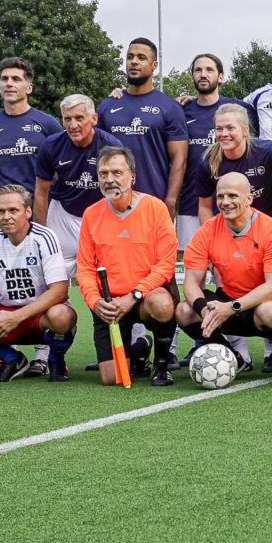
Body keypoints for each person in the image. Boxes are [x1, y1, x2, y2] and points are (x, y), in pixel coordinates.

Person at [74, 146, 181, 386]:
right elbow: (85, 269)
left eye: (116, 173)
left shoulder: (155, 208)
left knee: (162, 303)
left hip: (143, 299)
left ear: (132, 176)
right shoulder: (91, 214)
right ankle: (140, 348)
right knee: (112, 378)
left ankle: (162, 366)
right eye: (103, 174)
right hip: (111, 304)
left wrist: (134, 296)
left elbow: (166, 265)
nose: (109, 180)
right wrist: (95, 302)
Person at [0, 185, 77, 382]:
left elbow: (59, 291)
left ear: (28, 212)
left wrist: (17, 317)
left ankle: (55, 359)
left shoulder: (44, 237)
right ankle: (11, 358)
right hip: (4, 314)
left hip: (38, 317)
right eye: (1, 211)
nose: (6, 216)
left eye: (13, 210)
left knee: (61, 316)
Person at [177, 171, 272, 379]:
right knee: (185, 310)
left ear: (249, 199)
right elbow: (191, 282)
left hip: (262, 303)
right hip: (228, 299)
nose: (225, 202)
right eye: (220, 196)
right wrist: (203, 310)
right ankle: (230, 356)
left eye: (232, 196)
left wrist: (231, 308)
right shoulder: (207, 230)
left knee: (271, 311)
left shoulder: (270, 229)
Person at [96, 37, 190, 224]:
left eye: (141, 57)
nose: (134, 62)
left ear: (154, 64)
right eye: (130, 57)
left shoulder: (169, 107)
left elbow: (179, 159)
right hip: (112, 202)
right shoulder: (108, 105)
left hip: (153, 201)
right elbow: (96, 155)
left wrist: (170, 201)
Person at [179, 53, 256, 249]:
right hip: (192, 202)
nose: (203, 75)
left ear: (220, 77)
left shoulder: (240, 108)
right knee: (196, 265)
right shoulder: (180, 110)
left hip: (235, 203)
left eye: (209, 70)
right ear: (192, 77)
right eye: (198, 70)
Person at [32, 94, 117, 266]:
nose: (73, 125)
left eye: (79, 118)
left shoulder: (112, 147)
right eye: (67, 119)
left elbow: (120, 193)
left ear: (94, 119)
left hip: (99, 216)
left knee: (105, 271)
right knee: (50, 269)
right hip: (62, 214)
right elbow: (41, 193)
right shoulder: (51, 145)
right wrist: (41, 235)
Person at [0, 57, 63, 223]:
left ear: (29, 87)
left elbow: (61, 171)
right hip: (0, 213)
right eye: (4, 79)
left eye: (16, 79)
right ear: (0, 86)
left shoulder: (48, 124)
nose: (9, 83)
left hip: (40, 211)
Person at [191, 104, 272, 226]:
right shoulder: (208, 161)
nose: (223, 134)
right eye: (219, 129)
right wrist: (211, 236)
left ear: (245, 131)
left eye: (230, 128)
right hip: (232, 229)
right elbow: (204, 207)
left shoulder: (268, 152)